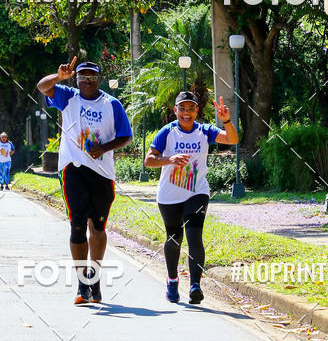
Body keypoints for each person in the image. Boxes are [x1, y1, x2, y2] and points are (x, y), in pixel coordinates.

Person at [37, 58, 133, 305]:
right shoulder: (68, 96)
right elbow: (41, 87)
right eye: (82, 76)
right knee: (77, 225)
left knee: (98, 228)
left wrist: (103, 148)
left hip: (102, 174)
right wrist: (59, 77)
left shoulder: (112, 104)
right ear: (76, 79)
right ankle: (82, 282)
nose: (87, 80)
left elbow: (125, 136)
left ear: (99, 79)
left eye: (92, 76)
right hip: (73, 170)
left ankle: (95, 278)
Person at [145, 91, 238, 304]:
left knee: (194, 235)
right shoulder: (167, 132)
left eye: (191, 109)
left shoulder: (205, 131)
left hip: (197, 192)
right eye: (182, 109)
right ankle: (172, 280)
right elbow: (149, 160)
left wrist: (226, 120)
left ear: (196, 111)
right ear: (175, 111)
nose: (186, 113)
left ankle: (195, 284)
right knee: (174, 237)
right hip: (169, 194)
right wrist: (169, 159)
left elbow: (232, 139)